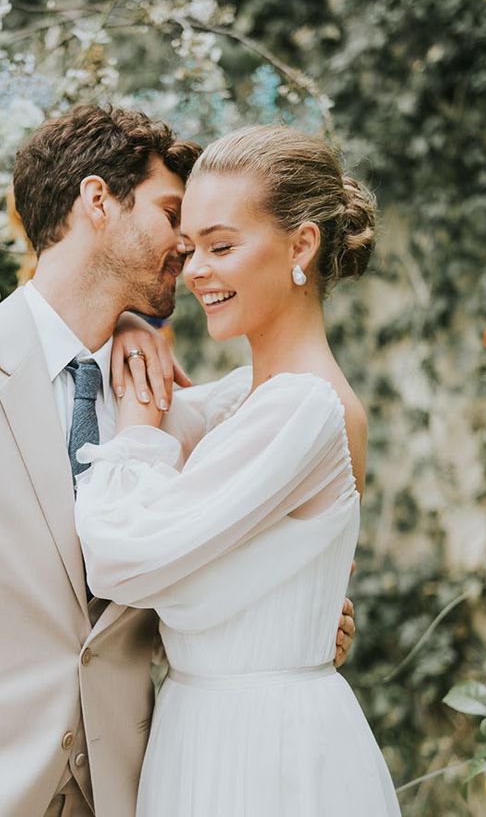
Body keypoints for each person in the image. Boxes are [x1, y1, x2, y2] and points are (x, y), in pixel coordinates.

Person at [0, 106, 355, 817]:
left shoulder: (166, 404)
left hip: (130, 793)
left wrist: (279, 612)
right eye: (174, 217)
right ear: (99, 201)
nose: (187, 254)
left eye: (209, 239)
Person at [74, 124, 400, 816]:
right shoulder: (243, 401)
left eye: (222, 247)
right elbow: (174, 414)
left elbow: (119, 556)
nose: (194, 271)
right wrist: (132, 327)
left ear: (301, 246)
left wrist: (135, 435)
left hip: (262, 748)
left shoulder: (305, 410)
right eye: (190, 248)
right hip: (203, 729)